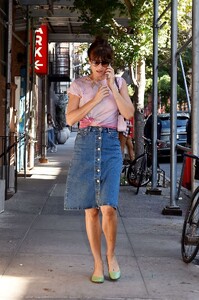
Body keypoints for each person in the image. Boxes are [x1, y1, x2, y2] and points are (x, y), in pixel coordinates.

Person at [64, 36, 134, 283]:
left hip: (111, 146)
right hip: (85, 142)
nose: (101, 67)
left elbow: (128, 113)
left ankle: (111, 256)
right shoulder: (79, 85)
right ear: (90, 62)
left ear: (110, 63)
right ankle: (97, 263)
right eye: (96, 62)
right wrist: (94, 99)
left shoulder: (119, 83)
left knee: (109, 207)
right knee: (91, 210)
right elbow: (71, 119)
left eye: (105, 62)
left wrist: (113, 90)